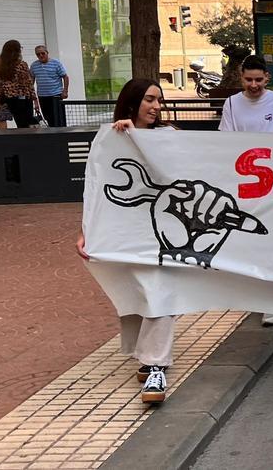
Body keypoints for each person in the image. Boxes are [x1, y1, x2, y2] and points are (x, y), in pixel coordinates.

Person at [76, 78, 177, 403]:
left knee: (160, 293)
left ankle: (155, 364)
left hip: (163, 232)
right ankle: (145, 357)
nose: (156, 107)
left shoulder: (168, 137)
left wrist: (141, 140)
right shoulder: (110, 138)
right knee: (137, 293)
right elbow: (97, 187)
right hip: (125, 233)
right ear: (132, 101)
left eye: (159, 101)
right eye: (149, 99)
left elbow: (176, 176)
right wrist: (88, 229)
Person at [218, 55, 273, 326]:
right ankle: (259, 296)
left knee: (271, 237)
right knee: (249, 239)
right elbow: (226, 140)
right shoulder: (231, 103)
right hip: (244, 181)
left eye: (258, 80)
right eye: (248, 80)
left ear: (267, 78)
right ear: (241, 77)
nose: (253, 85)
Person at [0, 39, 40, 128]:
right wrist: (34, 98)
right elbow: (28, 83)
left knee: (20, 122)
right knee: (29, 121)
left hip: (10, 99)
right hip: (24, 97)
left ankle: (23, 139)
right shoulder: (22, 65)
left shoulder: (1, 67)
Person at [30, 45, 69, 127]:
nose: (41, 55)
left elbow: (65, 77)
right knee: (48, 118)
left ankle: (62, 136)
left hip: (56, 95)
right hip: (42, 96)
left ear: (47, 53)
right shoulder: (34, 65)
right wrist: (33, 97)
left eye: (42, 53)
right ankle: (53, 136)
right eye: (38, 54)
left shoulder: (56, 63)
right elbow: (31, 81)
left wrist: (65, 91)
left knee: (59, 118)